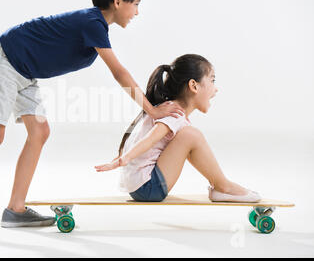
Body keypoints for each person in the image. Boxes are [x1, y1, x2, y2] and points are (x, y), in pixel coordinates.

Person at [0, 0, 185, 235]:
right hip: (7, 61)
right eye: (136, 3)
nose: (137, 12)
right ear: (118, 1)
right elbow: (118, 72)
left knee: (39, 132)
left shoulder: (95, 26)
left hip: (24, 72)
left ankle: (15, 210)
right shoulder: (93, 23)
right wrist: (152, 110)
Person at [94, 54, 261, 203]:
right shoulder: (174, 114)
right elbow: (149, 140)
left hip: (140, 186)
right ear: (194, 86)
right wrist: (122, 160)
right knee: (191, 135)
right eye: (212, 80)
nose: (215, 88)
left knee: (188, 136)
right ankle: (222, 186)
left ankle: (219, 185)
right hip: (148, 188)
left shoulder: (167, 109)